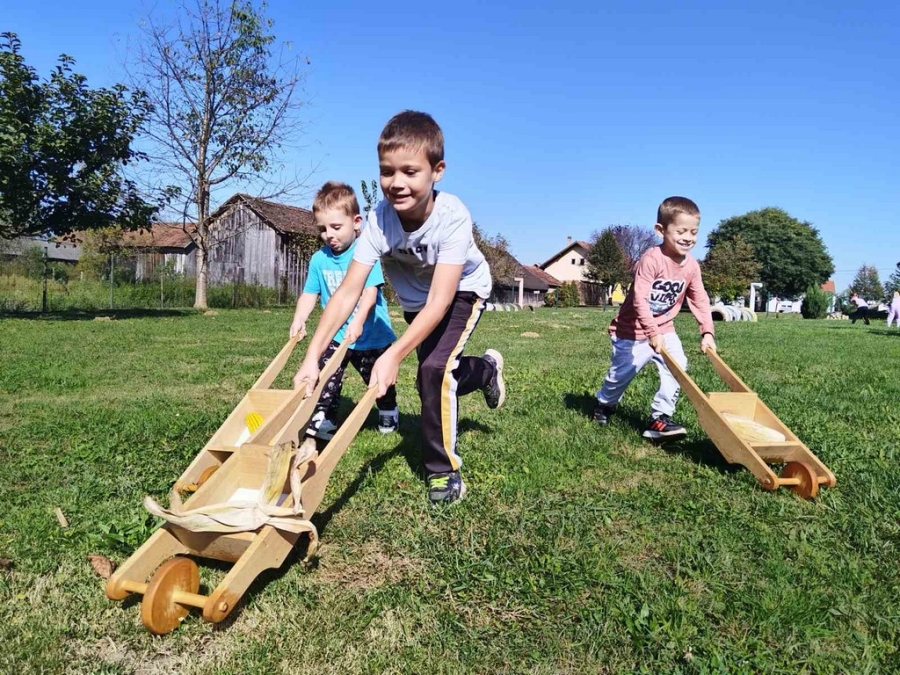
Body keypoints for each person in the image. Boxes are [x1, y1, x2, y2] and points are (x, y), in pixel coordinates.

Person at [293, 111, 505, 504]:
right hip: (416, 303)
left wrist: (392, 354)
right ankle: (487, 370)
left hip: (461, 293)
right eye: (387, 172)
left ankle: (442, 471)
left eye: (410, 171)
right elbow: (345, 294)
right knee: (440, 374)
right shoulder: (377, 221)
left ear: (436, 171)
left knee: (433, 371)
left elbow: (442, 299)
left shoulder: (452, 216)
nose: (397, 183)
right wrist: (311, 358)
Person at [593, 196, 716, 441]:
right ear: (661, 229)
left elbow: (699, 298)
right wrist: (651, 332)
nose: (688, 237)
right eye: (681, 231)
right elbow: (639, 299)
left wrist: (707, 331)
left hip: (665, 328)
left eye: (694, 232)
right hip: (632, 331)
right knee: (621, 375)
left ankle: (660, 418)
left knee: (678, 367)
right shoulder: (651, 260)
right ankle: (604, 404)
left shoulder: (691, 266)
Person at [290, 181, 399, 440]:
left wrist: (359, 320)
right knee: (327, 375)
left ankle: (387, 408)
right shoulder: (319, 259)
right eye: (323, 229)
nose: (329, 234)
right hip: (337, 335)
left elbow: (370, 293)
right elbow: (309, 294)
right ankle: (324, 417)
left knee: (376, 378)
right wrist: (299, 318)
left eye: (336, 227)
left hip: (372, 336)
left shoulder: (364, 254)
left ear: (356, 222)